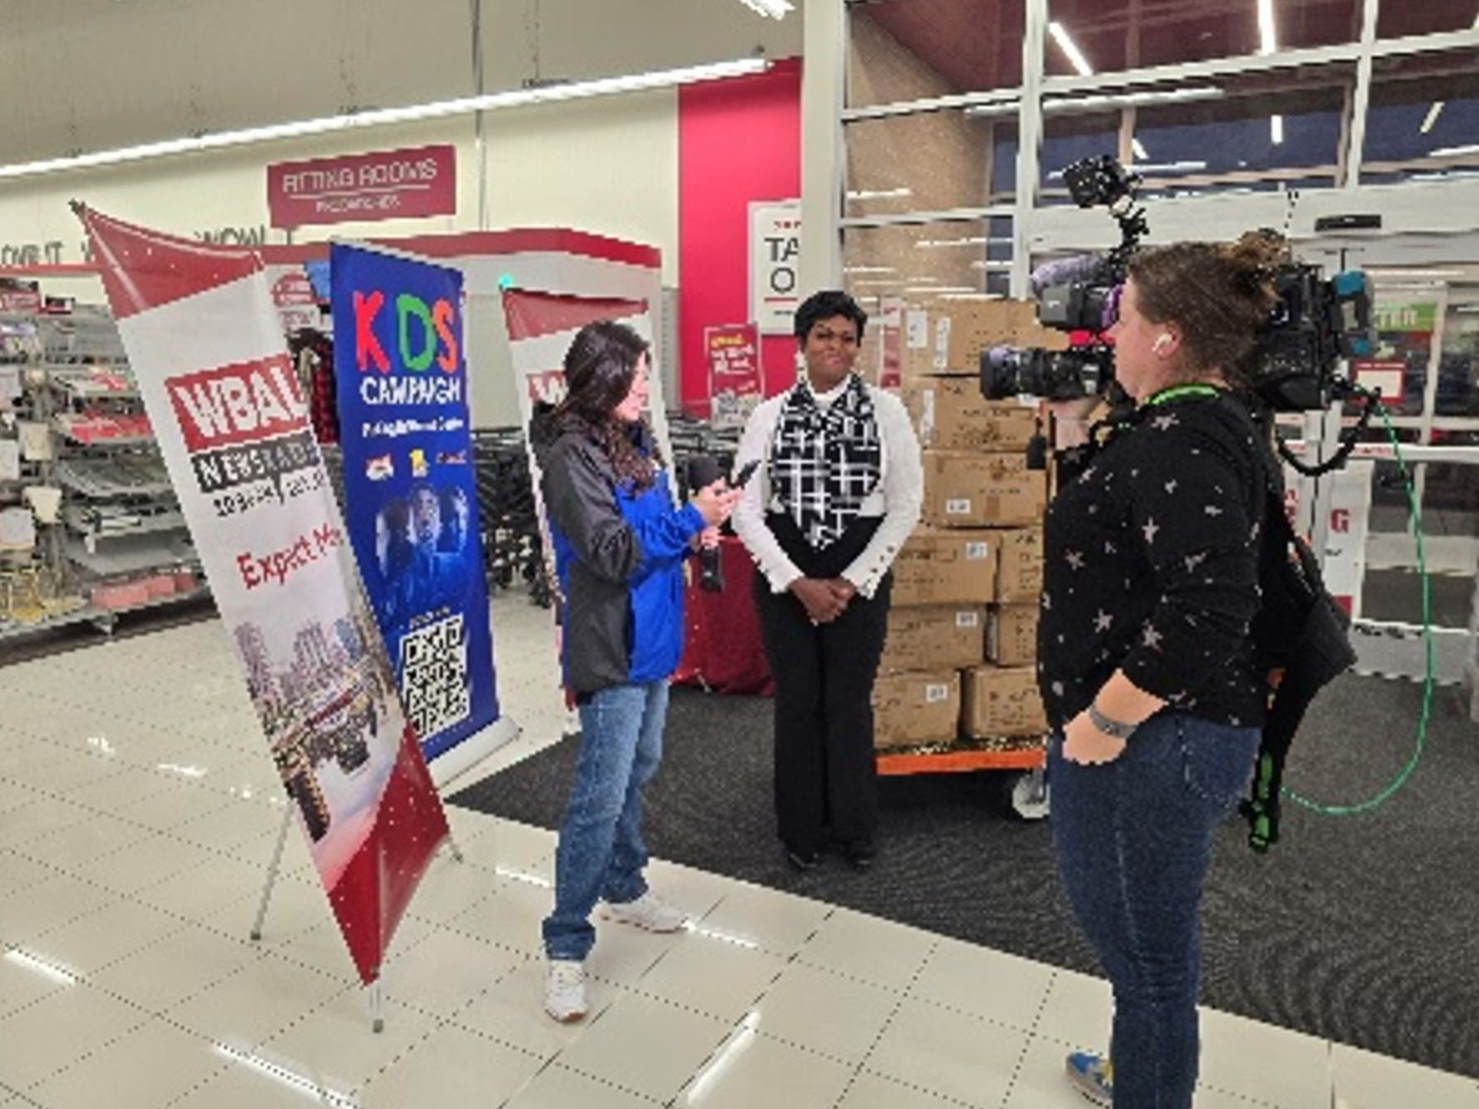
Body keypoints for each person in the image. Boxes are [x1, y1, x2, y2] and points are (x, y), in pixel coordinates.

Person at [1040, 233, 1285, 1108]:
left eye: (1122, 317)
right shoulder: (1185, 426)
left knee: (1146, 965)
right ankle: (1137, 1071)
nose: (1108, 333)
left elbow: (1207, 608)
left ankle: (1149, 1083)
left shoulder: (1181, 439)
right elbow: (1125, 539)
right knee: (1148, 954)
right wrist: (1073, 433)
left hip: (1153, 740)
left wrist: (1104, 719)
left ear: (1168, 335)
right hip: (1170, 735)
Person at [528, 320, 739, 1023]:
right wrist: (685, 520)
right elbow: (612, 552)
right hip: (610, 647)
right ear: (603, 377)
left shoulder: (632, 442)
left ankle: (623, 881)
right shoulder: (568, 457)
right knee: (598, 791)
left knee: (639, 766)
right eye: (638, 375)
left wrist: (695, 527)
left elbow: (652, 535)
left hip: (652, 639)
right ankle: (564, 944)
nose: (647, 387)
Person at [732, 290, 923, 871]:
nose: (835, 347)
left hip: (858, 566)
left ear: (857, 348)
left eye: (846, 338)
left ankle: (853, 828)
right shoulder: (767, 415)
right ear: (802, 343)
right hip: (785, 568)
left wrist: (853, 578)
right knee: (797, 702)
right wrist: (795, 581)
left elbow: (907, 500)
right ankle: (800, 830)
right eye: (824, 335)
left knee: (847, 701)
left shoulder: (886, 411)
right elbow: (746, 508)